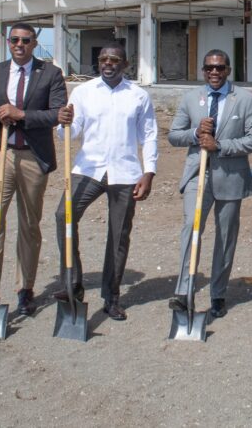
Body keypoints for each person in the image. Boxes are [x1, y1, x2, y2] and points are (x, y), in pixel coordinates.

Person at [0, 23, 67, 316]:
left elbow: (57, 114)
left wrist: (20, 114)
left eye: (25, 40)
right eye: (14, 40)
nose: (19, 44)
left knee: (29, 223)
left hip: (34, 156)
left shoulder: (50, 74)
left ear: (35, 43)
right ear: (8, 42)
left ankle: (25, 289)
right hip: (1, 152)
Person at [54, 44, 158, 321]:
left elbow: (148, 135)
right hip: (88, 169)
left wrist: (149, 172)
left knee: (118, 235)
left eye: (114, 60)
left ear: (125, 64)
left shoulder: (138, 95)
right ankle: (72, 284)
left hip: (125, 173)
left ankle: (111, 297)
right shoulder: (83, 92)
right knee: (63, 216)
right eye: (103, 59)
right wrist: (63, 123)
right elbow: (71, 134)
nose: (108, 64)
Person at [167, 49, 252, 319]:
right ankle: (184, 291)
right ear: (203, 70)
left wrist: (220, 145)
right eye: (209, 68)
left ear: (228, 70)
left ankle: (218, 293)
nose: (214, 72)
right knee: (191, 228)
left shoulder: (245, 100)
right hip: (198, 173)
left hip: (231, 177)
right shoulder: (190, 98)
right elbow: (174, 135)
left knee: (225, 236)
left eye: (220, 68)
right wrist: (196, 133)